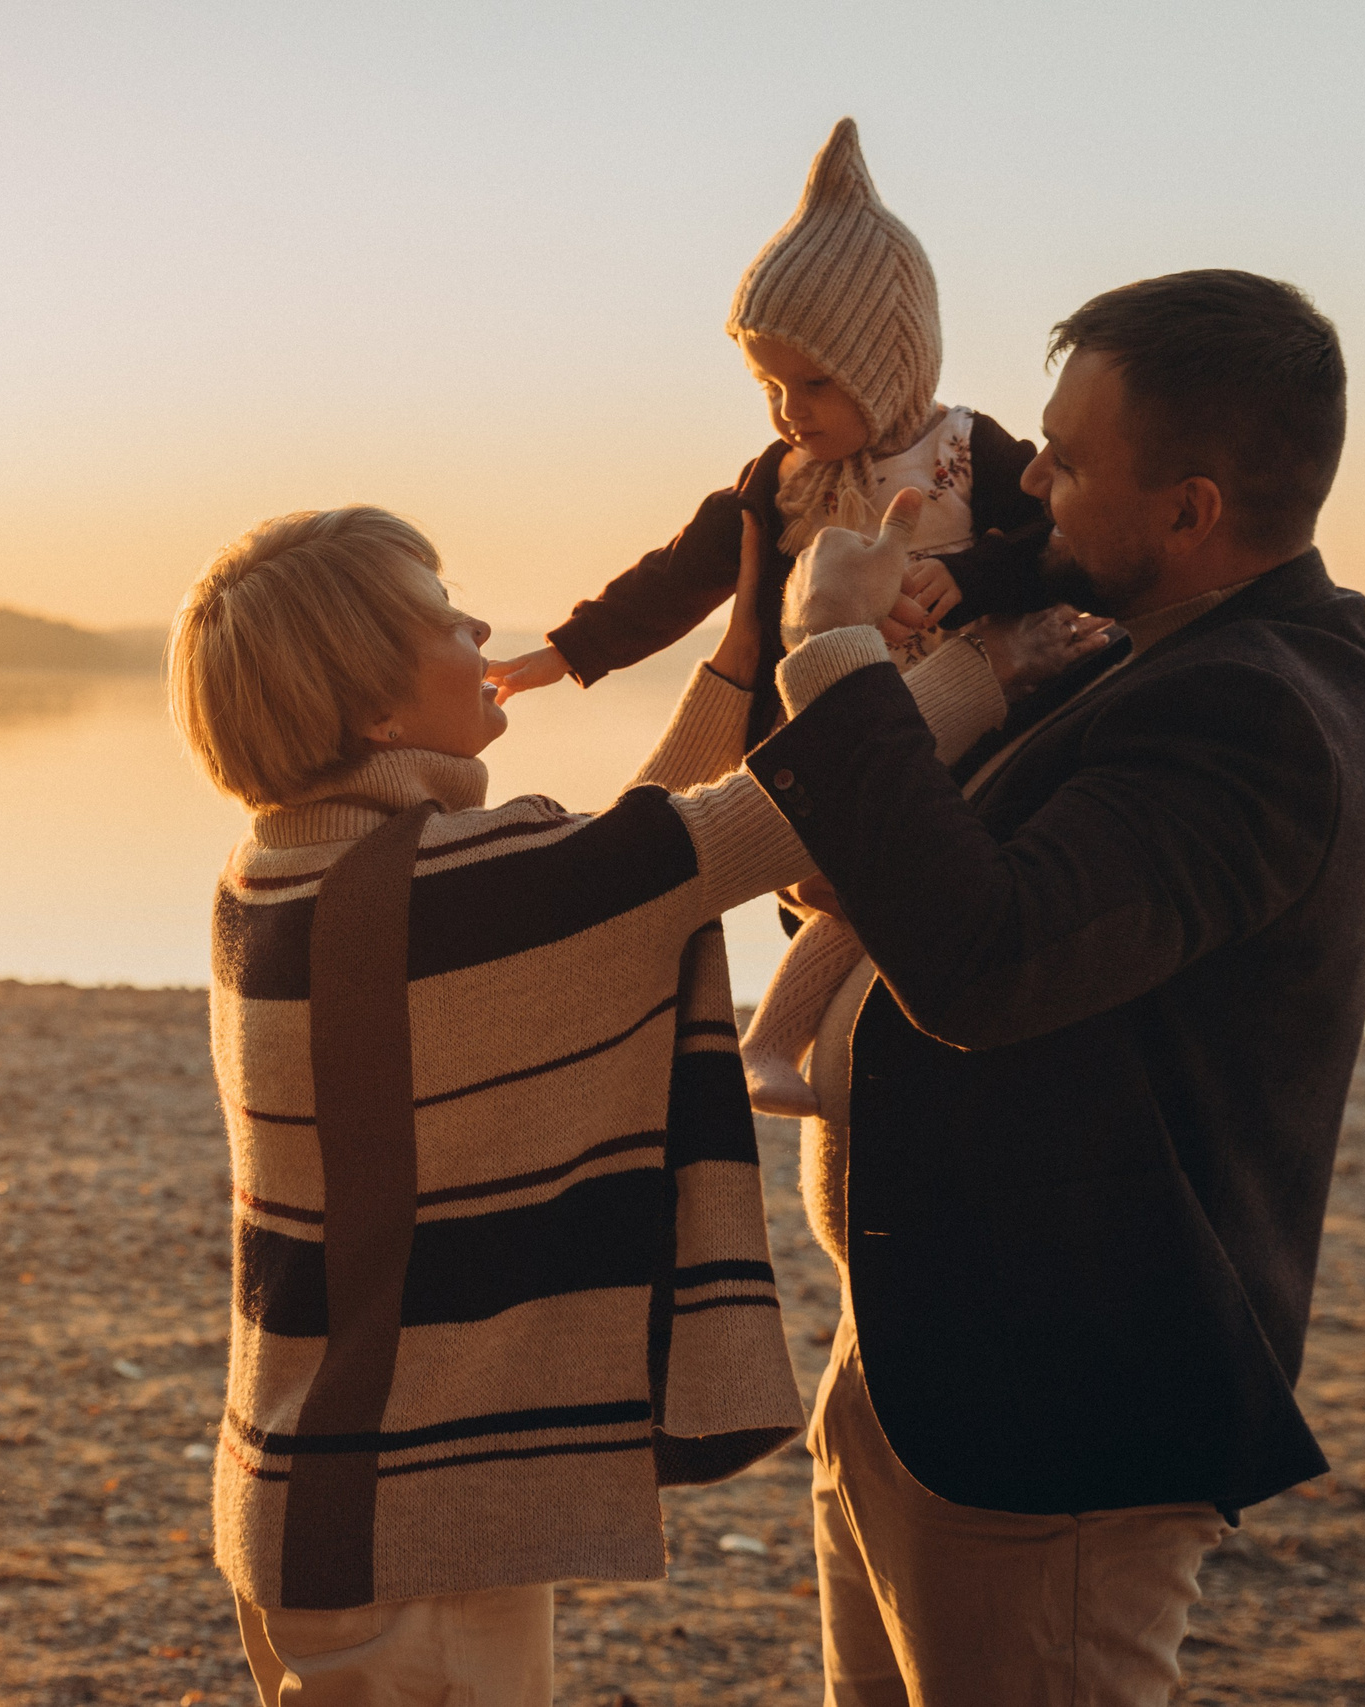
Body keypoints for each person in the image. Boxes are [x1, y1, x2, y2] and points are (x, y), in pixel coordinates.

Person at [166, 504, 1093, 1705]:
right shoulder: (463, 893)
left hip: (310, 1492)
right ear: (376, 713)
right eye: (439, 613)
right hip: (415, 1521)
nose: (478, 622)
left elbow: (625, 854)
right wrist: (946, 656)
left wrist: (741, 649)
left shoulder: (281, 881)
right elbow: (751, 828)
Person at [746, 270, 1365, 1704]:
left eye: (1072, 459)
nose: (1030, 480)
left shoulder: (1253, 713)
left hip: (1054, 1420)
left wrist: (837, 655)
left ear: (1192, 511)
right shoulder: (1169, 655)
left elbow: (992, 962)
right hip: (935, 1362)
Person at [481, 116, 1078, 1117]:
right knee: (836, 888)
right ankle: (773, 1045)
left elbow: (1055, 552)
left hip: (964, 729)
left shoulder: (969, 454)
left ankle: (779, 1046)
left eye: (811, 382)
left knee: (892, 915)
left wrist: (969, 580)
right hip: (818, 738)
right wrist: (564, 653)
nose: (784, 408)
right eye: (766, 383)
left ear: (888, 362)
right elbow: (676, 578)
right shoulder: (778, 483)